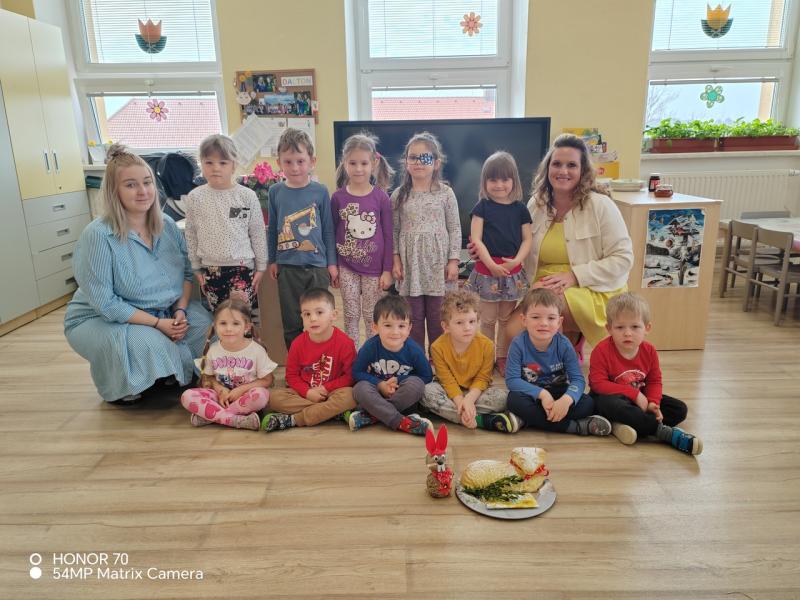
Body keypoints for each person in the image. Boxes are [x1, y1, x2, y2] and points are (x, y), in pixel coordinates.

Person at [64, 144, 212, 404]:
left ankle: (166, 373)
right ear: (114, 191)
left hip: (166, 310)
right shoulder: (98, 236)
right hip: (106, 318)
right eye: (131, 185)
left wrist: (179, 311)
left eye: (147, 182)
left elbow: (187, 274)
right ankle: (133, 383)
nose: (143, 191)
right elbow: (106, 304)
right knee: (149, 343)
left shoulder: (167, 225)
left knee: (207, 326)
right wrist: (157, 324)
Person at [504, 134, 633, 360]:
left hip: (592, 288)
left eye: (571, 165)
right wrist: (485, 252)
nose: (563, 171)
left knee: (546, 314)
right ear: (547, 168)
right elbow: (519, 245)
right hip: (543, 285)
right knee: (513, 331)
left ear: (583, 171)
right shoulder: (536, 204)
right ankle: (569, 341)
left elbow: (623, 258)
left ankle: (561, 362)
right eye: (557, 164)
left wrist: (575, 276)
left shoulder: (601, 205)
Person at [589, 292, 703, 454]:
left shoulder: (649, 351)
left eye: (635, 327)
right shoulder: (601, 350)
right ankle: (662, 432)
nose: (627, 333)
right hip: (609, 398)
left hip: (639, 400)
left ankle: (622, 425)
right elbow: (597, 384)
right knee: (612, 405)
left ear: (647, 328)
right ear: (609, 329)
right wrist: (635, 395)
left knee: (679, 409)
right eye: (620, 327)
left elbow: (654, 381)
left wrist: (653, 403)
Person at [506, 289, 611, 436]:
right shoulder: (518, 344)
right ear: (524, 320)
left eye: (551, 318)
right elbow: (512, 381)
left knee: (587, 404)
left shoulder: (564, 345)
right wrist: (542, 394)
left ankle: (528, 420)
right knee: (514, 401)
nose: (543, 323)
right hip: (532, 394)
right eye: (536, 317)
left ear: (559, 322)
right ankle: (573, 427)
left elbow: (578, 380)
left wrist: (566, 400)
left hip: (559, 392)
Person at [267, 128, 338, 350]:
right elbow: (273, 229)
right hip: (288, 267)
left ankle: (322, 359)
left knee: (321, 319)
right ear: (279, 163)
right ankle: (297, 361)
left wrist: (331, 263)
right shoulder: (275, 191)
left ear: (312, 161)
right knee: (292, 321)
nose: (295, 167)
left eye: (300, 161)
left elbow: (328, 230)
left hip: (317, 266)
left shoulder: (320, 191)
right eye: (288, 162)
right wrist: (273, 259)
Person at [391, 131, 461, 353]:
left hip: (438, 267)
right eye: (413, 157)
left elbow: (455, 228)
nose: (418, 162)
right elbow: (394, 230)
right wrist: (395, 260)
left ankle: (439, 359)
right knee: (413, 319)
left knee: (438, 317)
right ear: (406, 162)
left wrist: (453, 261)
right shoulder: (399, 195)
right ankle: (417, 360)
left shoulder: (446, 193)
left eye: (425, 158)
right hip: (410, 267)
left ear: (436, 163)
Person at [464, 151, 532, 375]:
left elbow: (527, 239)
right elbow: (476, 239)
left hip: (512, 272)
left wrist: (517, 261)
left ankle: (502, 357)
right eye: (493, 179)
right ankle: (485, 357)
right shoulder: (482, 207)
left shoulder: (521, 209)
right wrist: (491, 265)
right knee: (487, 320)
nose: (499, 185)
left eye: (504, 179)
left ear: (514, 181)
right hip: (486, 272)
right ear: (485, 182)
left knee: (505, 320)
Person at [185, 134, 267, 316]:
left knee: (241, 318)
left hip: (242, 268)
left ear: (234, 165)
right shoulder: (195, 197)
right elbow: (191, 234)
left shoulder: (246, 196)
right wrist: (196, 267)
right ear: (201, 164)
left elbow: (257, 233)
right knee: (220, 318)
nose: (216, 168)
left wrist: (261, 266)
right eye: (209, 162)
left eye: (223, 163)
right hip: (210, 270)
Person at [261, 288, 357, 432]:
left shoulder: (345, 343)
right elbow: (291, 376)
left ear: (333, 315)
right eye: (307, 314)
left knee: (351, 396)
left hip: (333, 393)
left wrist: (325, 388)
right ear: (302, 317)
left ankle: (295, 419)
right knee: (274, 398)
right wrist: (307, 392)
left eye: (319, 312)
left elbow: (350, 377)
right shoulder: (297, 344)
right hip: (305, 394)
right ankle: (333, 413)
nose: (313, 318)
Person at [422, 289, 518, 432]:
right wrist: (460, 400)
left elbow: (483, 378)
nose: (467, 328)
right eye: (459, 322)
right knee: (426, 392)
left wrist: (469, 399)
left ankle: (458, 415)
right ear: (446, 326)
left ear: (478, 321)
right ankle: (480, 420)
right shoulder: (437, 347)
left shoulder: (487, 345)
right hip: (449, 392)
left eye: (472, 321)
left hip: (476, 392)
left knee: (503, 398)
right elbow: (446, 380)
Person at [331, 133, 395, 346]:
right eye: (353, 163)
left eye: (364, 163)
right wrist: (333, 265)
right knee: (350, 314)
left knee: (371, 315)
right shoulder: (337, 197)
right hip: (346, 266)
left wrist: (387, 270)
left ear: (374, 163)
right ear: (344, 163)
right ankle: (352, 355)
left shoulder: (381, 198)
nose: (358, 168)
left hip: (374, 270)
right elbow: (332, 232)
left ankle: (371, 352)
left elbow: (388, 236)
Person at [180, 298, 275, 430]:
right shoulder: (213, 350)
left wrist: (241, 390)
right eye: (223, 323)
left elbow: (267, 380)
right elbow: (209, 377)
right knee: (187, 396)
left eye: (236, 323)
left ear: (247, 327)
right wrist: (220, 390)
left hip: (245, 397)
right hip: (220, 397)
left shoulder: (256, 350)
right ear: (215, 326)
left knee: (261, 396)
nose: (229, 329)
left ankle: (212, 416)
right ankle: (235, 420)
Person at [350, 295, 434, 435]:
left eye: (401, 326)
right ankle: (401, 421)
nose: (395, 332)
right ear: (375, 327)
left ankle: (373, 416)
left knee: (416, 384)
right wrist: (379, 384)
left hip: (402, 396)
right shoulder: (370, 347)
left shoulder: (414, 350)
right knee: (360, 388)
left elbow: (427, 376)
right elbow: (357, 372)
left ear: (409, 328)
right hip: (376, 393)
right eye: (388, 325)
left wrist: (399, 380)